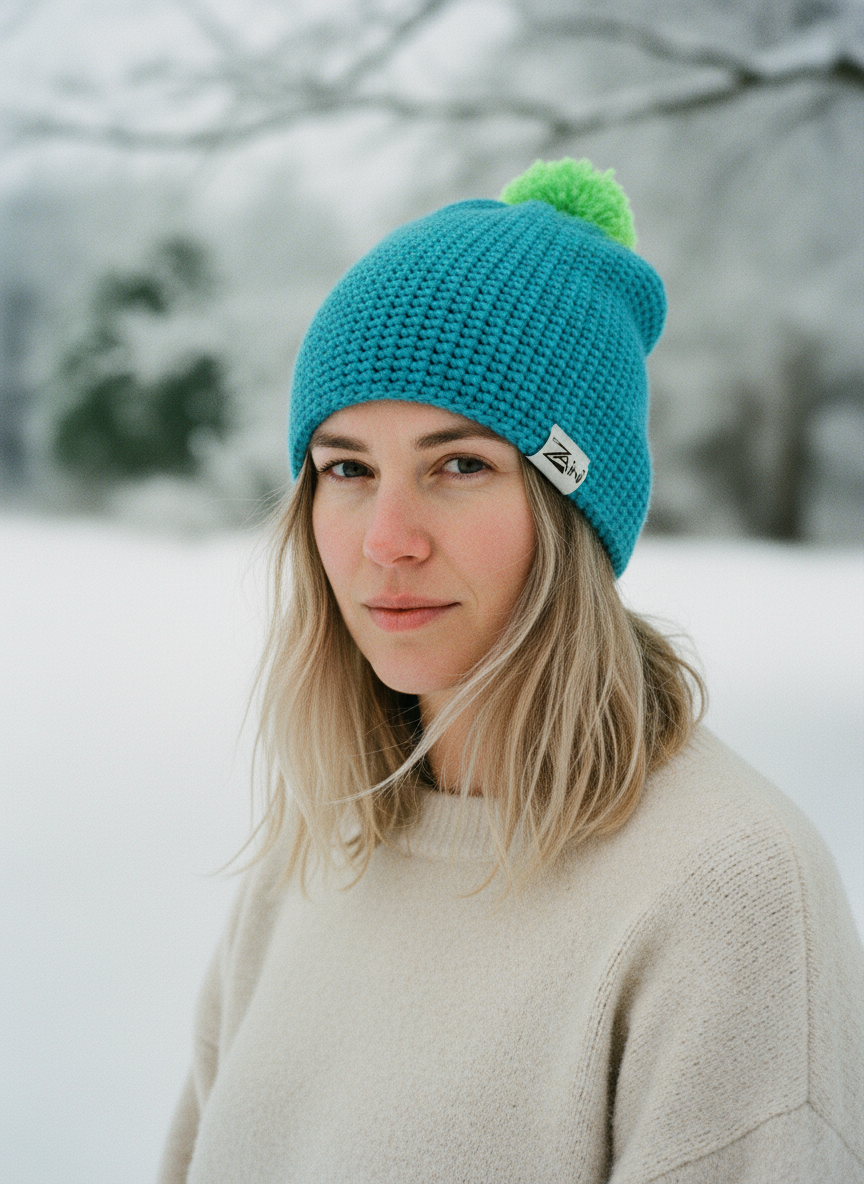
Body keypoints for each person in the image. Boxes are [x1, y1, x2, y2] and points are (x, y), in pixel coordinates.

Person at [158, 159, 864, 1183]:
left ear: (573, 510)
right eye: (346, 468)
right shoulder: (318, 847)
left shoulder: (726, 892)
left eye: (461, 464)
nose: (385, 539)